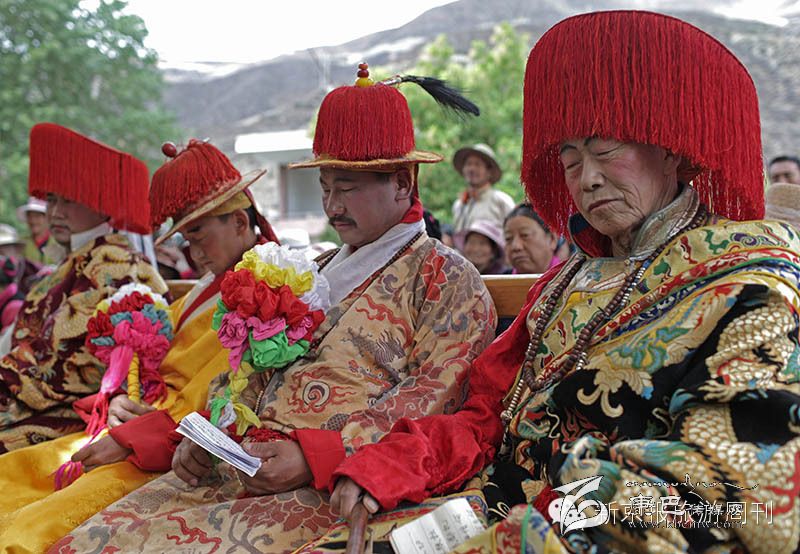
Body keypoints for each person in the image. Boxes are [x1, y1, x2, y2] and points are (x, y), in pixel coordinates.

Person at [301, 11, 800, 553]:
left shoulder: (751, 283)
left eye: (605, 151)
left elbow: (737, 497)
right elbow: (489, 414)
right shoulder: (567, 281)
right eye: (570, 160)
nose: (588, 179)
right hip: (479, 505)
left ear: (671, 150)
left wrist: (524, 531)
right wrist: (394, 462)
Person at [54, 64, 496, 553]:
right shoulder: (311, 269)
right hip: (237, 466)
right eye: (325, 187)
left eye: (347, 188)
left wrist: (317, 456)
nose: (332, 206)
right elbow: (244, 372)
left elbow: (436, 395)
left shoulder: (446, 278)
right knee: (83, 541)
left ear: (402, 182)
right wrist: (205, 435)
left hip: (329, 486)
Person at [0, 139, 282, 552]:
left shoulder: (266, 293)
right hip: (133, 423)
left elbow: (224, 396)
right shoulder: (210, 284)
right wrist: (119, 398)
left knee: (37, 525)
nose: (193, 252)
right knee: (15, 475)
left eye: (198, 235)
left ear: (240, 222)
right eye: (186, 239)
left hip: (171, 445)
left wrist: (137, 433)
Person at [0, 123, 166, 452]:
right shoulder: (72, 260)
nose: (56, 213)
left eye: (69, 200)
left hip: (72, 411)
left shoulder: (118, 266)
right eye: (51, 200)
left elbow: (71, 365)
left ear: (101, 203)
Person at [452, 143, 515, 247]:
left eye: (478, 164)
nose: (472, 169)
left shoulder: (501, 201)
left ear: (489, 172)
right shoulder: (459, 205)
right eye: (468, 164)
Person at [503, 203, 561, 274]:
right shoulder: (497, 280)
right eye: (508, 238)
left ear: (552, 239)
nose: (516, 246)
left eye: (525, 235)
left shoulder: (571, 278)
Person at [16, 196, 53, 264]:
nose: (33, 220)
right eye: (30, 216)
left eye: (37, 216)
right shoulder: (20, 244)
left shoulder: (58, 243)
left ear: (46, 218)